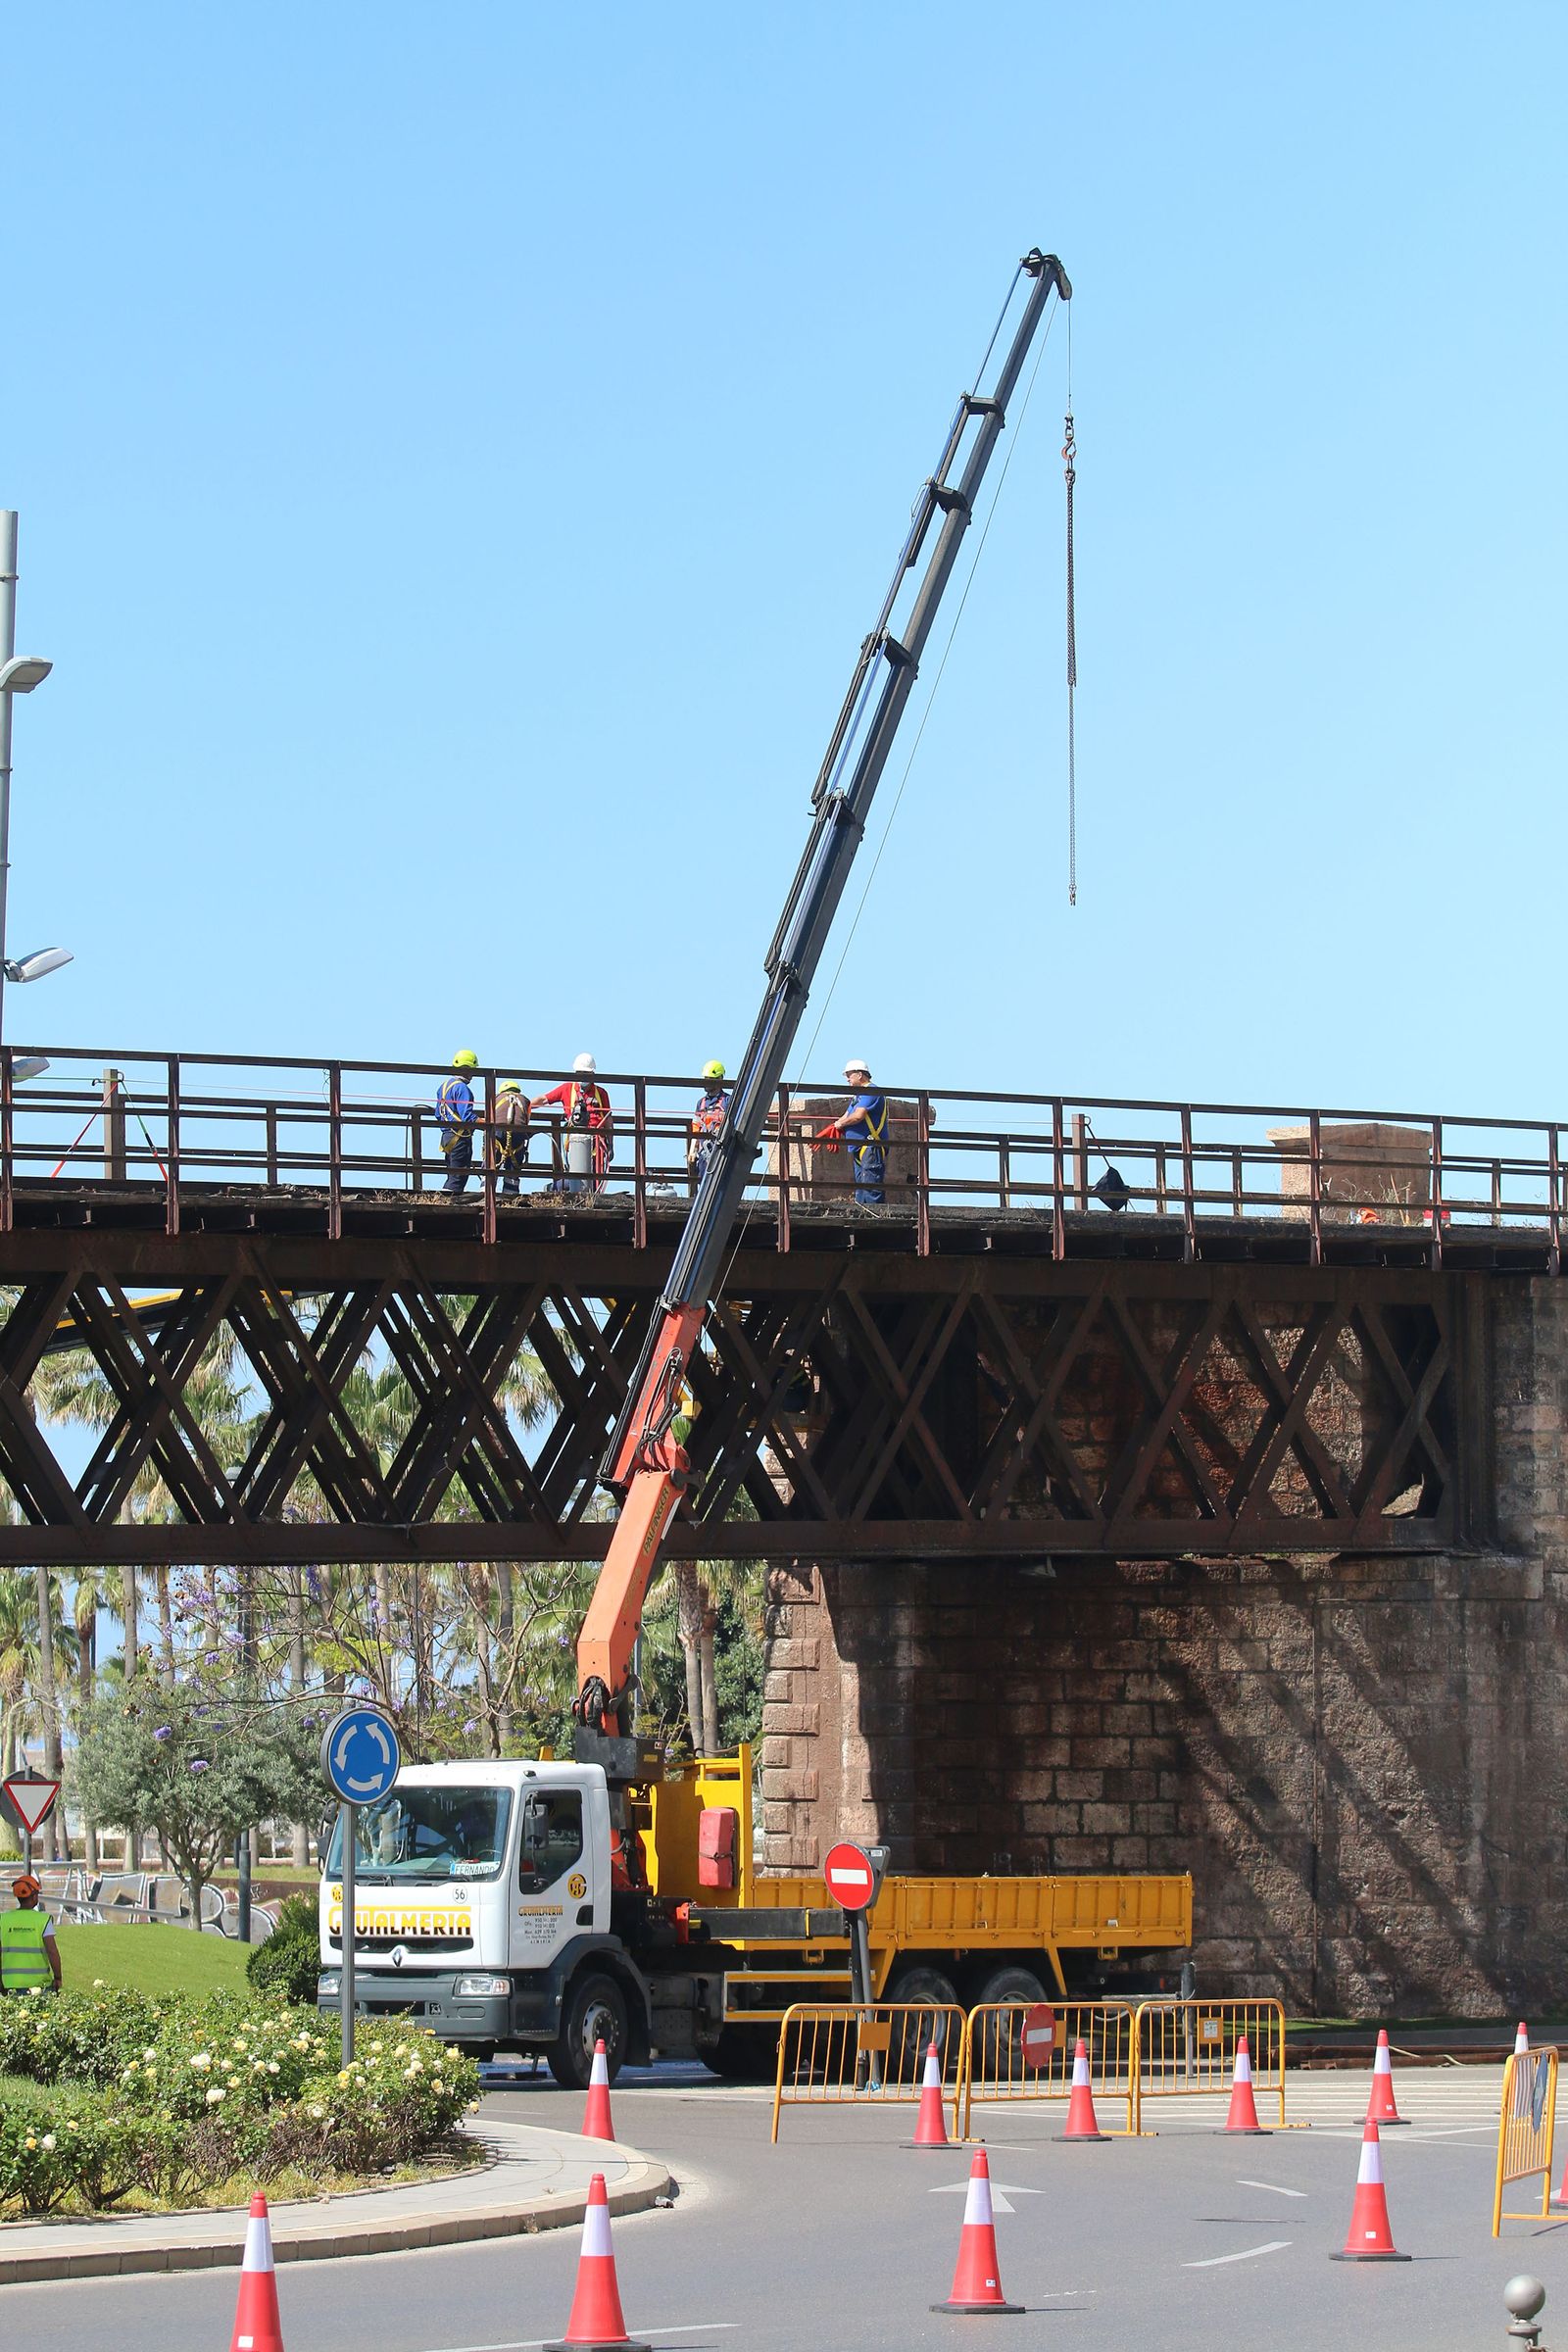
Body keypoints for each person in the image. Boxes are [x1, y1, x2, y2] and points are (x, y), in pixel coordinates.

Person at [529, 1054, 613, 1195]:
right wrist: (526, 1106)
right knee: (578, 1178)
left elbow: (608, 1121)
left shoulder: (601, 1093)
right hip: (576, 1141)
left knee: (595, 1181)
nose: (583, 1077)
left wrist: (610, 1145)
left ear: (592, 1073)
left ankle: (590, 1198)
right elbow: (544, 1099)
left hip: (598, 1144)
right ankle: (555, 1188)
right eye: (580, 1073)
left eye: (586, 1074)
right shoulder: (567, 1089)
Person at [823, 1058, 889, 1205]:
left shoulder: (871, 1091)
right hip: (860, 1147)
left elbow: (858, 1116)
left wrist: (840, 1124)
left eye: (849, 1075)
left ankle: (875, 1219)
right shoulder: (858, 1096)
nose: (847, 1079)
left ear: (860, 1075)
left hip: (870, 1145)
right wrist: (833, 1128)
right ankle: (862, 1217)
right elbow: (847, 1115)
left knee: (871, 1185)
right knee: (861, 1188)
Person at [1, 1874, 61, 1995]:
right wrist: (58, 1977)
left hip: (9, 1984)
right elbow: (52, 1951)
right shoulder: (43, 1920)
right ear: (34, 1896)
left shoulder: (3, 1919)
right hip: (39, 1986)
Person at [436, 1051, 481, 1196]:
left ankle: (445, 1199)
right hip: (459, 1137)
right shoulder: (462, 1088)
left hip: (447, 1136)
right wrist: (486, 1123)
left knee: (452, 1172)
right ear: (467, 1069)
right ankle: (449, 1203)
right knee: (459, 1175)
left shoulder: (443, 1086)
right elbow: (467, 1117)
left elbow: (438, 1114)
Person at [688, 1060, 728, 1193]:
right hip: (704, 1154)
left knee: (720, 1187)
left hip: (721, 1153)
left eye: (710, 1080)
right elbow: (696, 1127)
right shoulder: (701, 1103)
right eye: (705, 1079)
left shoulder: (727, 1101)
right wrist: (692, 1151)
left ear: (719, 1080)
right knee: (704, 1187)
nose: (706, 1083)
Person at [492, 1080, 530, 1197]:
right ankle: (511, 1194)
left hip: (497, 1131)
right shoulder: (525, 1100)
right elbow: (527, 1121)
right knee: (514, 1164)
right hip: (518, 1132)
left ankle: (486, 1191)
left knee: (492, 1160)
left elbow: (489, 1118)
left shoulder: (495, 1098)